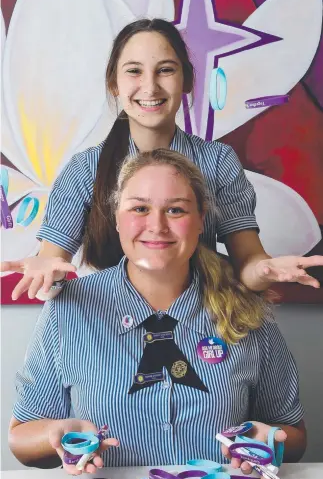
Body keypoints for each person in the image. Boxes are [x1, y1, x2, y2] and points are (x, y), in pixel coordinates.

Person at [9, 149, 306, 476]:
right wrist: (58, 435)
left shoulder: (250, 310)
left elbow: (294, 436)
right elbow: (21, 438)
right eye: (139, 208)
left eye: (176, 210)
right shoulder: (68, 310)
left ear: (201, 220)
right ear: (117, 218)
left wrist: (269, 439)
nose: (157, 225)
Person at [1, 19, 322, 301]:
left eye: (165, 70)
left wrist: (265, 270)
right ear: (115, 83)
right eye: (134, 71)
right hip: (109, 335)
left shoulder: (217, 162)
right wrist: (48, 277)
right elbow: (50, 270)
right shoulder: (85, 169)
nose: (150, 86)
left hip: (198, 330)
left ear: (186, 81)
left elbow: (250, 265)